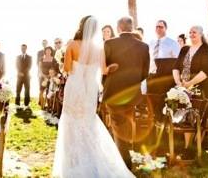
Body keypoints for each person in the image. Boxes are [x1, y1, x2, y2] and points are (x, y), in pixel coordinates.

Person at [52, 15, 136, 177]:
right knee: (88, 121)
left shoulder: (72, 45)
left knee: (71, 121)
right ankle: (92, 159)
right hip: (90, 88)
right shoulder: (99, 49)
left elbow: (67, 69)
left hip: (75, 87)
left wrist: (63, 59)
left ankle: (73, 162)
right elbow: (104, 71)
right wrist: (111, 67)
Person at [103, 16, 150, 169]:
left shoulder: (109, 43)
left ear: (118, 28)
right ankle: (124, 155)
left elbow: (104, 70)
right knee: (124, 124)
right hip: (132, 94)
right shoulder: (143, 46)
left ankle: (124, 162)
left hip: (114, 93)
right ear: (132, 27)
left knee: (118, 125)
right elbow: (145, 73)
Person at [173, 26, 208, 99]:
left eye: (194, 32)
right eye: (190, 32)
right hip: (182, 88)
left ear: (201, 34)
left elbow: (205, 72)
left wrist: (189, 84)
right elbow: (175, 67)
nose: (191, 34)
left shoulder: (207, 51)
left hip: (201, 90)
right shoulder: (184, 49)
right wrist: (178, 82)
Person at [146, 19, 180, 94]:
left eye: (161, 27)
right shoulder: (151, 43)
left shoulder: (173, 43)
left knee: (162, 100)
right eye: (157, 27)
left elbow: (177, 62)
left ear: (166, 28)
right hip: (151, 76)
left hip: (164, 77)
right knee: (150, 99)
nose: (158, 29)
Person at [15, 44, 32, 108]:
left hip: (27, 76)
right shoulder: (17, 57)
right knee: (18, 90)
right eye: (22, 48)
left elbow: (29, 66)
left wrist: (23, 73)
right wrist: (19, 72)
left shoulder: (29, 57)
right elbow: (16, 65)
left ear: (26, 48)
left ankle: (26, 104)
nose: (23, 49)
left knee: (27, 90)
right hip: (19, 76)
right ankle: (17, 104)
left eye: (24, 48)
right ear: (21, 49)